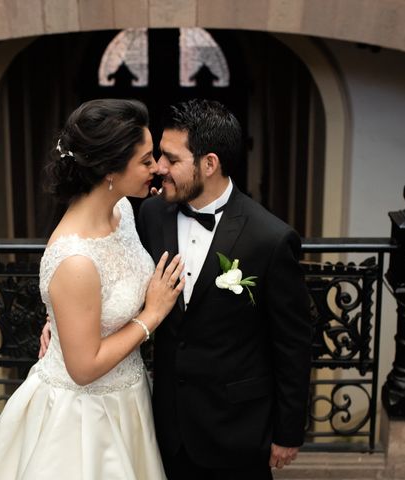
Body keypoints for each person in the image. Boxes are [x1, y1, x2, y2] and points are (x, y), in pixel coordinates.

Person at [0, 99, 184, 480]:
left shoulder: (122, 211)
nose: (157, 168)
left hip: (128, 398)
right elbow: (83, 368)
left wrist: (60, 320)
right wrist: (152, 315)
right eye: (146, 160)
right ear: (111, 168)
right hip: (83, 417)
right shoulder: (75, 259)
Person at [137, 99, 313, 480]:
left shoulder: (270, 238)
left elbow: (293, 344)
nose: (159, 169)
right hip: (166, 428)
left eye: (170, 159)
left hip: (238, 431)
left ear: (209, 163)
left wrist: (288, 430)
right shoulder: (151, 215)